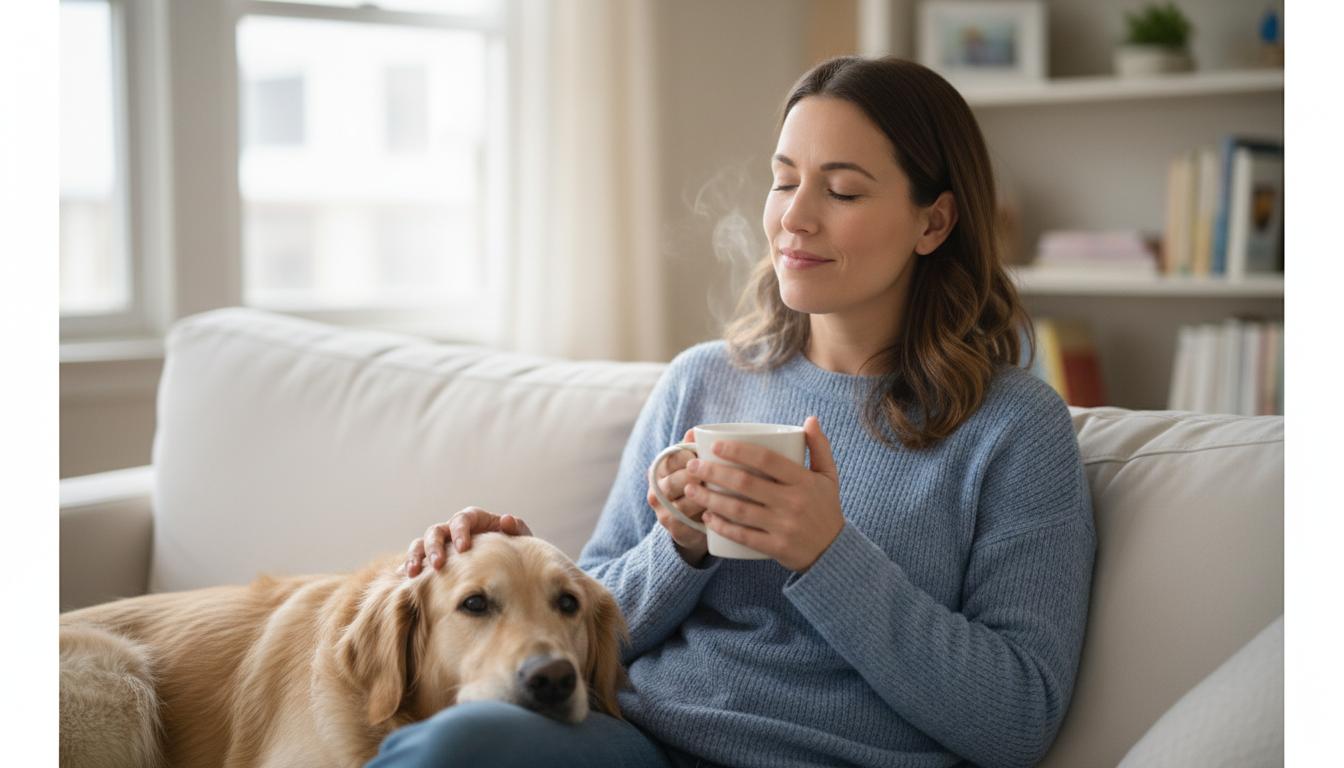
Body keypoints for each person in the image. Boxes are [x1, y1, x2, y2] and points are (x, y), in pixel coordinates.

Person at [368, 55, 1095, 768]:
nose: (794, 218)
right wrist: (677, 546)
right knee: (455, 746)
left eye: (841, 191)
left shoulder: (1014, 428)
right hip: (640, 745)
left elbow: (1018, 719)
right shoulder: (702, 381)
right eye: (784, 181)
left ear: (933, 223)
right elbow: (592, 631)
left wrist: (828, 555)